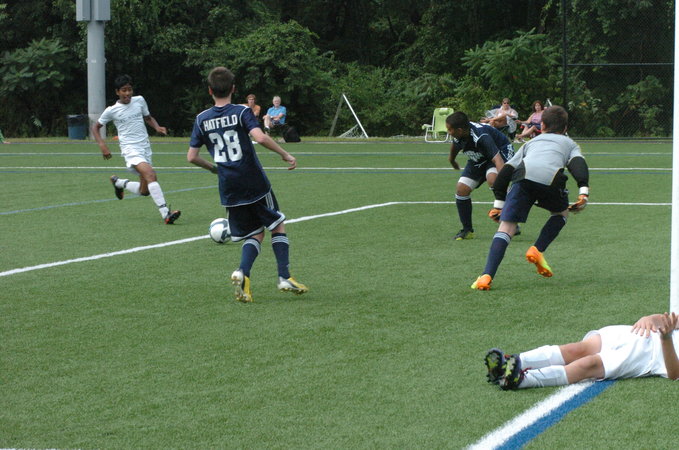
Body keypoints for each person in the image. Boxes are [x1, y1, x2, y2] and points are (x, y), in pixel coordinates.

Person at [187, 66, 308, 303]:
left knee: (255, 232)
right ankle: (284, 276)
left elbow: (191, 157)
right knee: (277, 224)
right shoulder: (241, 111)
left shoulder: (201, 119)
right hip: (252, 181)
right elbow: (260, 137)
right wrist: (285, 154)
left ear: (210, 90)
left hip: (228, 186)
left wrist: (214, 169)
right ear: (233, 88)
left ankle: (243, 272)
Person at [471, 105, 590, 290]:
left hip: (523, 179)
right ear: (565, 128)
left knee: (506, 228)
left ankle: (486, 275)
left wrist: (499, 205)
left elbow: (506, 171)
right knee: (561, 214)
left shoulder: (530, 143)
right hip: (550, 180)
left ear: (542, 126)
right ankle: (537, 249)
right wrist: (583, 192)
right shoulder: (569, 143)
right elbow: (577, 164)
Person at [484, 312, 679, 390]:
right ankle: (511, 362)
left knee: (588, 364)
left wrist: (666, 338)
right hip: (632, 334)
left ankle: (520, 380)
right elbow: (669, 320)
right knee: (576, 349)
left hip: (644, 358)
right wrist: (649, 319)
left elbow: (674, 373)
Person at [92, 74, 180, 224]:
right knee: (151, 174)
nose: (127, 93)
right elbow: (96, 127)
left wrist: (157, 127)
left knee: (144, 191)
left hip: (145, 148)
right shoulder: (112, 110)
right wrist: (102, 145)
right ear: (117, 92)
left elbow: (148, 117)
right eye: (124, 90)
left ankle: (119, 183)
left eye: (129, 89)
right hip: (130, 149)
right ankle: (166, 214)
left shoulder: (139, 100)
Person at [445, 111, 516, 240]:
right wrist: (452, 160)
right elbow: (455, 146)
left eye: (450, 129)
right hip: (480, 157)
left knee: (493, 179)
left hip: (501, 151)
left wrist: (503, 182)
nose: (448, 132)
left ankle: (509, 220)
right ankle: (467, 230)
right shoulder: (459, 134)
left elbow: (497, 160)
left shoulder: (481, 136)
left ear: (459, 130)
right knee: (461, 189)